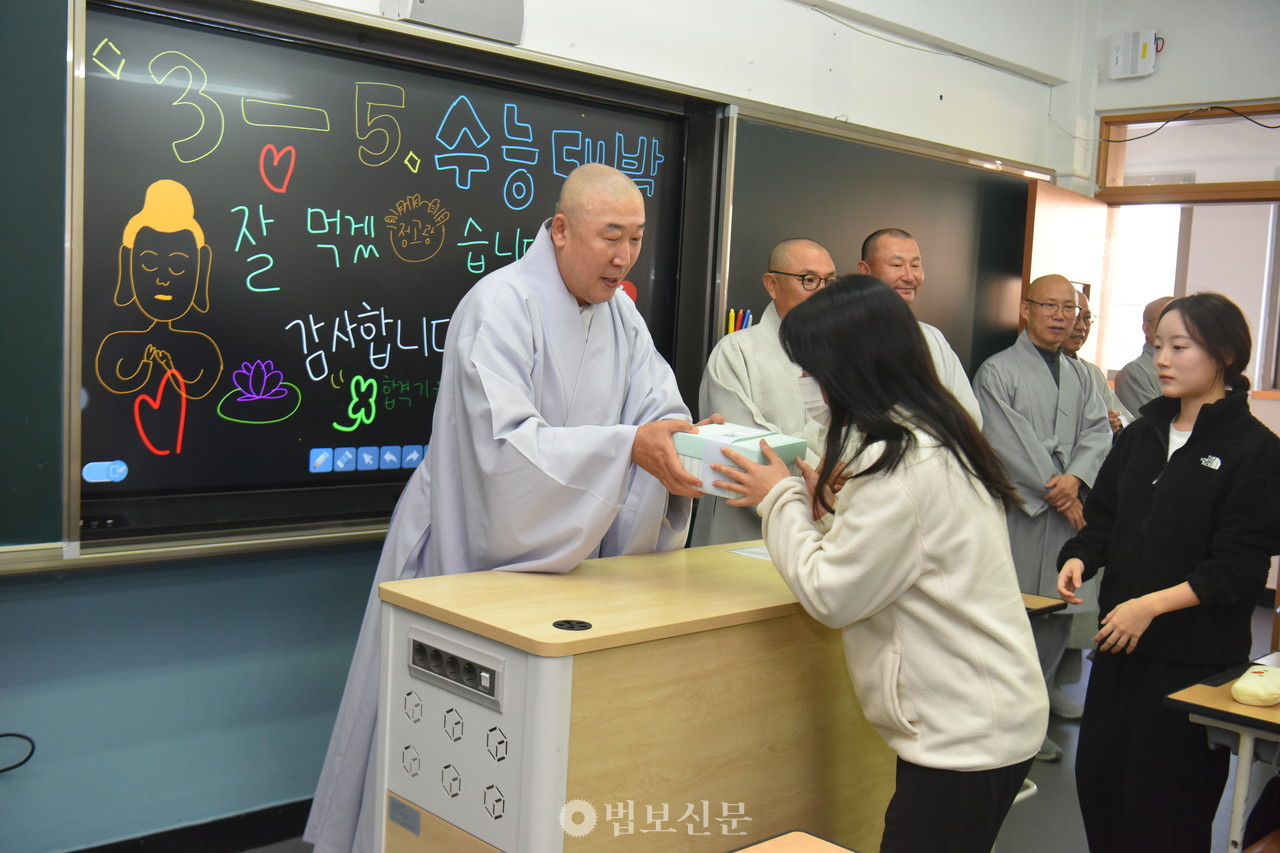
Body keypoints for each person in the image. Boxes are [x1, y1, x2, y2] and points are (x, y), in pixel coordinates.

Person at [305, 164, 710, 853]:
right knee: (436, 762)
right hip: (467, 554)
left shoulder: (623, 318)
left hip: (564, 571)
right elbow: (505, 453)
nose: (624, 258)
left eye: (637, 239)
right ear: (559, 230)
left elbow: (658, 410)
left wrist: (687, 446)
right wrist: (627, 449)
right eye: (610, 236)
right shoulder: (499, 305)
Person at [712, 274, 1047, 853]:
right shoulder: (931, 438)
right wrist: (824, 500)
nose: (804, 384)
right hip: (982, 720)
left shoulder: (903, 467)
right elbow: (893, 550)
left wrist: (780, 496)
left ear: (850, 367)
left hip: (965, 733)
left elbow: (831, 594)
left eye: (811, 369)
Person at [1058, 292, 1280, 853]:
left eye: (1180, 347)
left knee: (1166, 809)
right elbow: (1104, 519)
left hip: (1190, 661)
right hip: (1118, 651)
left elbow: (1237, 568)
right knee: (1101, 789)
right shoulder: (1141, 434)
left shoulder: (1256, 450)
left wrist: (1149, 605)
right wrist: (1081, 558)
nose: (1162, 359)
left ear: (1224, 354)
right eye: (1159, 345)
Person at [974, 274, 1111, 759]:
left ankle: (1040, 709)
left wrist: (1076, 479)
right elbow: (1004, 442)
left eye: (1069, 309)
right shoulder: (996, 371)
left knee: (1057, 611)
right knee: (1016, 614)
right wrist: (1061, 490)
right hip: (1023, 512)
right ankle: (1009, 723)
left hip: (1066, 513)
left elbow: (1099, 431)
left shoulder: (1082, 374)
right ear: (1025, 310)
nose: (1060, 316)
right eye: (1049, 306)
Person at [691, 237, 836, 545]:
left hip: (824, 539)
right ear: (772, 284)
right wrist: (825, 479)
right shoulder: (736, 351)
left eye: (830, 281)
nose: (823, 292)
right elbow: (745, 448)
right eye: (809, 280)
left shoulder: (846, 353)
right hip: (741, 537)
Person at [857, 227, 982, 426]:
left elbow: (969, 413)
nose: (909, 276)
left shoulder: (932, 338)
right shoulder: (845, 335)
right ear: (865, 270)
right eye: (897, 265)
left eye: (915, 265)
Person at [1062, 290, 1131, 435]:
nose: (1082, 326)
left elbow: (1125, 419)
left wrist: (1115, 423)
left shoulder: (1092, 372)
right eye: (1075, 317)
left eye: (1087, 318)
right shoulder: (1029, 369)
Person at [1113, 295, 1175, 415]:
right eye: (1166, 319)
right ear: (1147, 329)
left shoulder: (1191, 368)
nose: (1176, 326)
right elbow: (1155, 425)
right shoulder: (1134, 373)